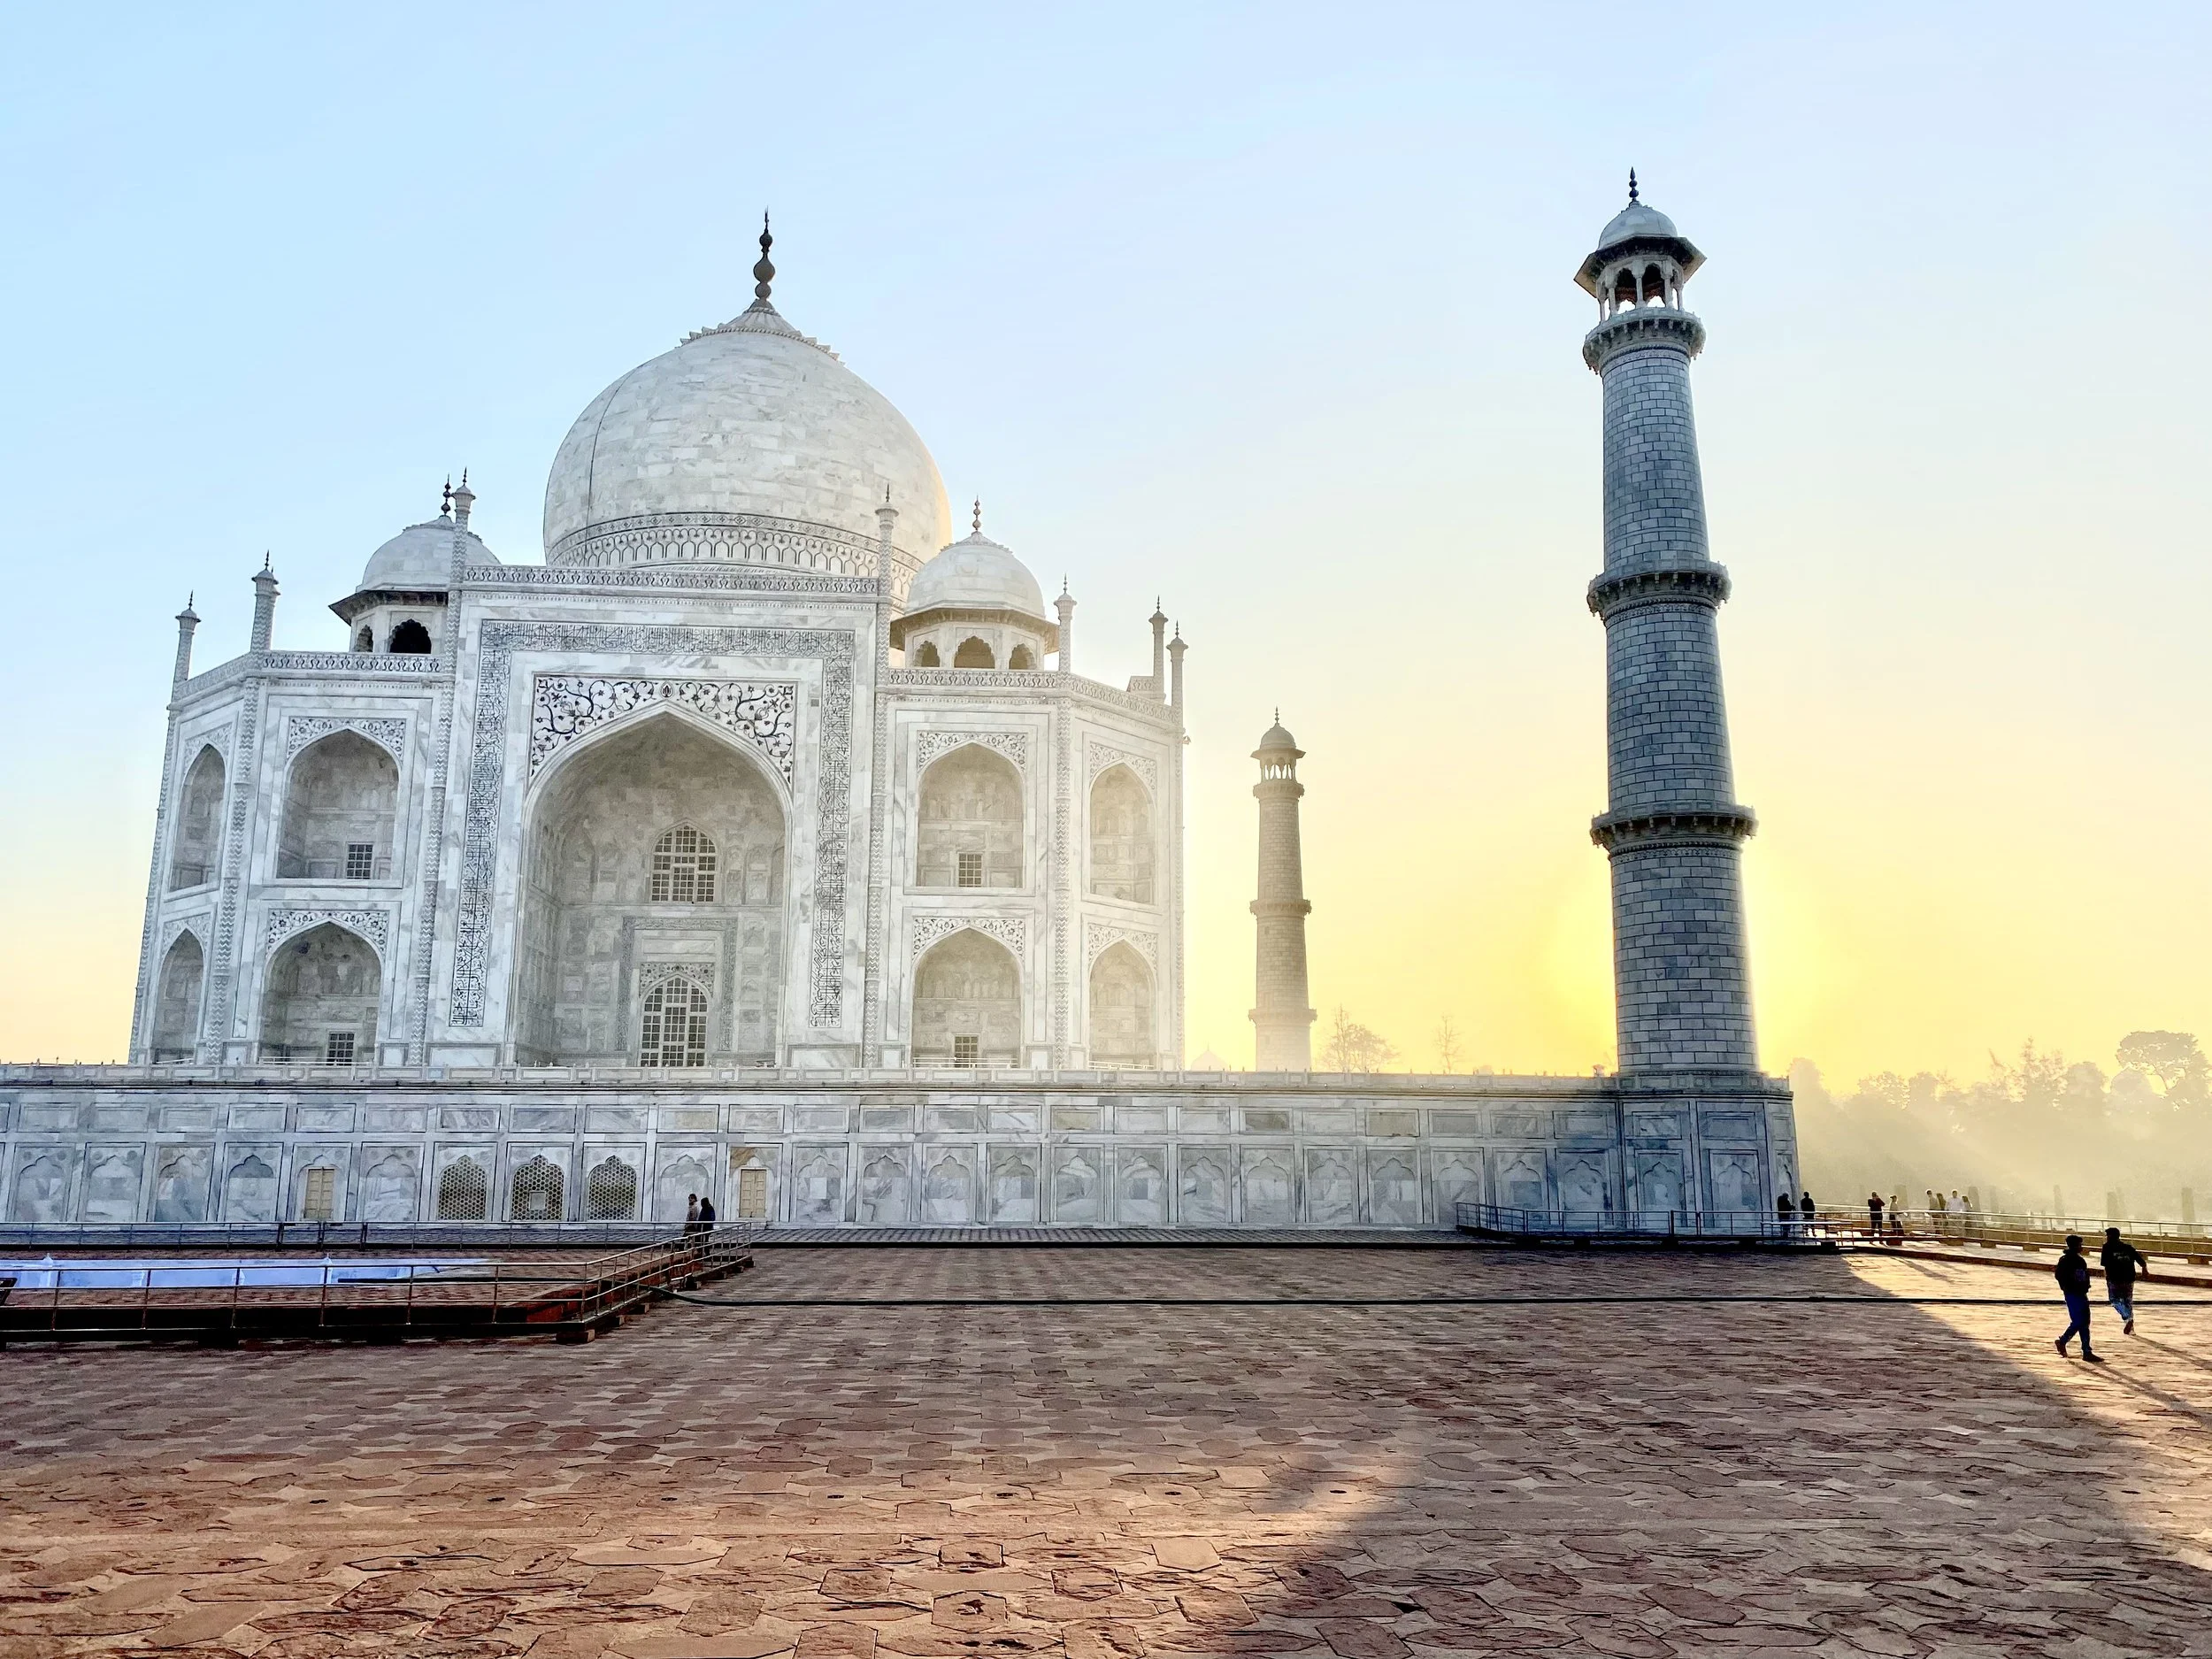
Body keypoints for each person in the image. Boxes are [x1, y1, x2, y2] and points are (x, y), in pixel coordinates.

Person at [2055, 1233, 2102, 1362]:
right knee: (2080, 1321)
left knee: (2084, 1322)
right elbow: (2060, 1276)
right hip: (2073, 1294)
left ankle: (2086, 1350)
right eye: (2080, 1245)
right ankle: (2064, 1341)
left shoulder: (2074, 1260)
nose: (2081, 1247)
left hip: (2079, 1293)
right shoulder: (2069, 1260)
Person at [2100, 1225, 2150, 1335]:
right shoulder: (2128, 1247)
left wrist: (2107, 1278)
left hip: (2114, 1278)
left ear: (2110, 1236)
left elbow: (2105, 1264)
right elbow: (2141, 1260)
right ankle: (2131, 1327)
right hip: (2128, 1278)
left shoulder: (2107, 1247)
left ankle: (2127, 1318)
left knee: (2115, 1301)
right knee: (2128, 1301)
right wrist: (2144, 1270)